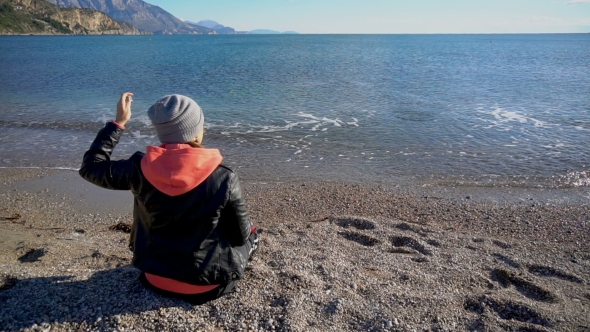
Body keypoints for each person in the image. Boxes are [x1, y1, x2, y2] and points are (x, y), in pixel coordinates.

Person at [79, 92, 260, 304]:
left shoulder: (137, 169)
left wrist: (118, 123)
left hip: (154, 277)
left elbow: (91, 167)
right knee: (251, 236)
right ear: (195, 132)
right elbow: (239, 236)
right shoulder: (223, 177)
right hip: (206, 285)